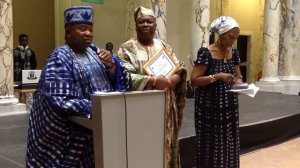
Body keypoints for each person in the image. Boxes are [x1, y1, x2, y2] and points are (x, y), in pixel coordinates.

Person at [25, 6, 131, 167]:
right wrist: (99, 108)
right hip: (76, 133)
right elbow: (59, 98)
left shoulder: (95, 52)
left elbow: (122, 79)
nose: (88, 33)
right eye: (82, 29)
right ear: (68, 32)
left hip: (100, 126)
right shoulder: (60, 56)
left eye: (90, 29)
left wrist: (112, 67)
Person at [117, 6, 187, 168]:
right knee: (143, 147)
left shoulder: (164, 47)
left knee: (166, 146)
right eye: (141, 22)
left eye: (150, 21)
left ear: (155, 25)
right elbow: (124, 76)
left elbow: (180, 67)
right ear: (136, 25)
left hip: (166, 107)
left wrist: (173, 79)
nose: (146, 24)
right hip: (141, 109)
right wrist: (153, 80)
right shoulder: (127, 48)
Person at [191, 16, 243, 168]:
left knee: (230, 140)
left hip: (229, 106)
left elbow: (238, 74)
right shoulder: (206, 53)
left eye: (236, 37)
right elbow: (194, 80)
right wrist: (218, 76)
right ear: (221, 33)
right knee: (211, 143)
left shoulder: (234, 52)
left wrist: (239, 81)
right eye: (230, 36)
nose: (232, 40)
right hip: (209, 107)